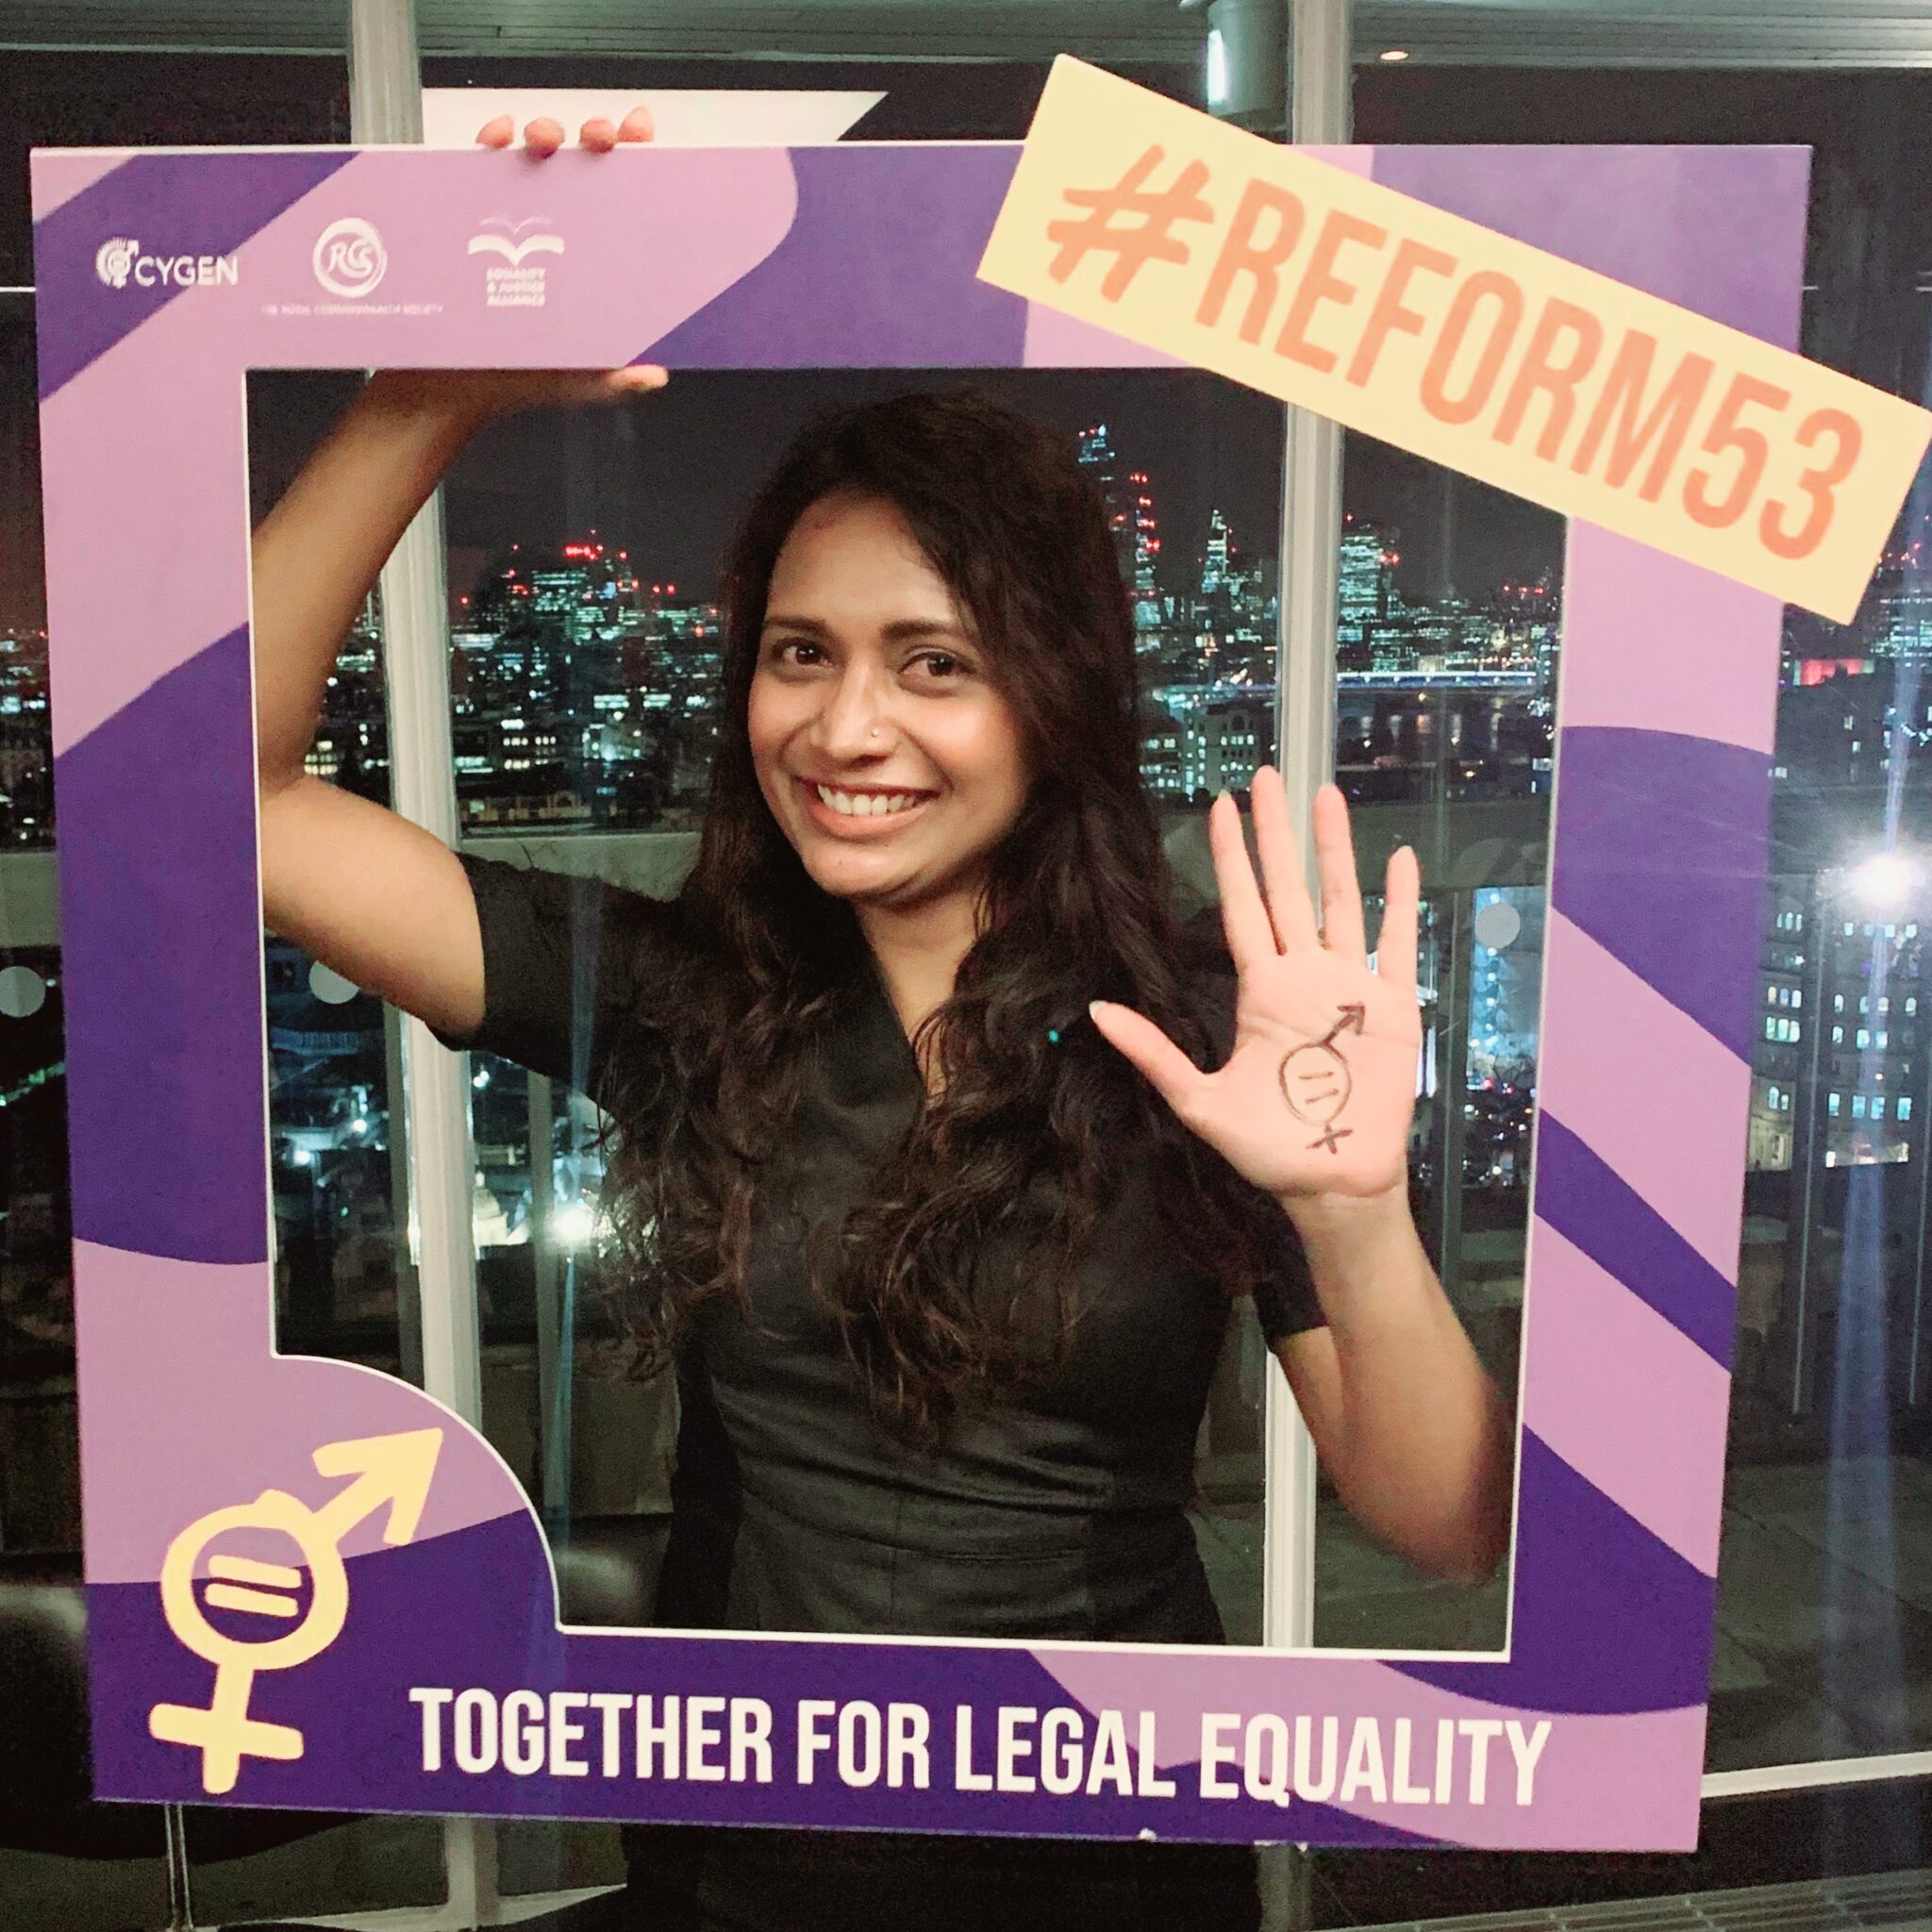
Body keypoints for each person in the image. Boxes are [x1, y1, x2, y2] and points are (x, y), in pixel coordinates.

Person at [251, 107, 1511, 1932]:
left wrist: (1352, 1207)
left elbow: (1445, 1524)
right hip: (748, 1867)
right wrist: (421, 399)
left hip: (1108, 1864)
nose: (847, 731)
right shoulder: (681, 998)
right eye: (801, 654)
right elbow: (223, 793)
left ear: (1053, 698)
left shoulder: (1203, 1039)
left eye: (935, 663)